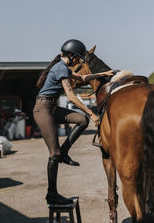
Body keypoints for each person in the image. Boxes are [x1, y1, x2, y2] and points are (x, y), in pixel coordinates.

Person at [33, 39, 114, 205]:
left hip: (51, 107)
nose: (78, 62)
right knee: (53, 154)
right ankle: (52, 194)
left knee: (81, 120)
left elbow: (82, 76)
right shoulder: (61, 68)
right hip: (43, 109)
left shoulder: (63, 67)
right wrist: (92, 113)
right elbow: (71, 97)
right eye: (78, 59)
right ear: (71, 55)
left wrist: (103, 75)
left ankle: (64, 152)